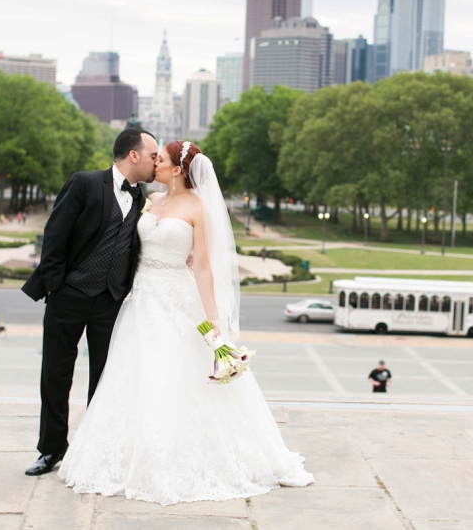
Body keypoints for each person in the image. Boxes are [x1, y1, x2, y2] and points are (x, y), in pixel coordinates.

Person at [58, 140, 313, 504]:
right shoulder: (150, 201)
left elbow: (205, 266)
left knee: (174, 375)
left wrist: (213, 318)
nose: (153, 163)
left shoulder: (198, 207)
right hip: (143, 299)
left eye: (159, 159)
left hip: (178, 299)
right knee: (136, 375)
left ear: (177, 170)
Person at [21, 129, 160, 477]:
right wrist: (56, 287)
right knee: (55, 375)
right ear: (133, 155)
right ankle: (51, 449)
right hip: (68, 296)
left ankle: (94, 450)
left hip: (110, 302)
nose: (156, 162)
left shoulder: (141, 197)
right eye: (153, 155)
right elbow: (55, 236)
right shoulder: (84, 184)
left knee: (104, 380)